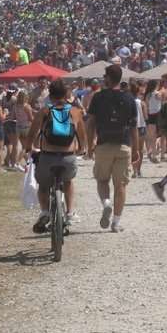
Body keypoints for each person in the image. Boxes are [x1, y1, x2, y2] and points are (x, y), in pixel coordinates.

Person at [26, 79, 87, 234]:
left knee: (43, 185)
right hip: (68, 157)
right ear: (66, 94)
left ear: (50, 95)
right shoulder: (75, 112)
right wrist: (82, 149)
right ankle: (70, 212)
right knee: (68, 181)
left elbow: (32, 132)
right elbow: (82, 136)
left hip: (47, 156)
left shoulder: (44, 111)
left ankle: (45, 212)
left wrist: (29, 147)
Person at [86, 64, 139, 232]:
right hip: (123, 145)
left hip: (103, 144)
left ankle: (106, 203)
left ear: (108, 78)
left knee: (102, 180)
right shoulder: (130, 98)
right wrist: (136, 149)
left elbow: (90, 123)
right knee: (121, 185)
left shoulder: (98, 97)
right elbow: (134, 127)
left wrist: (89, 145)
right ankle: (116, 223)